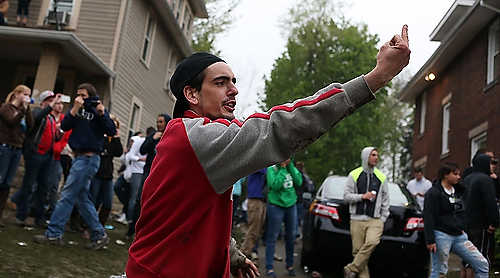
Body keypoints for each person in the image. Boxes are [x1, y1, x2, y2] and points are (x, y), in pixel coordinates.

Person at [126, 25, 411, 278]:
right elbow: (281, 126)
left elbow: (193, 213)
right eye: (220, 82)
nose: (234, 90)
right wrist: (377, 77)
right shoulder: (194, 137)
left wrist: (231, 253)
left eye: (234, 81)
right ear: (191, 94)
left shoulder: (197, 139)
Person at [34, 83, 116, 250]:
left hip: (89, 159)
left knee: (67, 195)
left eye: (83, 95)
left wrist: (101, 113)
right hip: (78, 158)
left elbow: (111, 129)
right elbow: (65, 126)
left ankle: (54, 234)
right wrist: (74, 109)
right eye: (78, 95)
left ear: (91, 96)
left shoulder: (98, 110)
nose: (79, 98)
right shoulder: (77, 109)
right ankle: (99, 235)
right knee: (81, 198)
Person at [424, 163, 489, 278]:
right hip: (441, 236)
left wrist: (463, 228)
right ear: (445, 175)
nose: (459, 177)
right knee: (439, 271)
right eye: (455, 174)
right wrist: (430, 240)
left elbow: (463, 212)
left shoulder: (460, 191)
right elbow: (428, 217)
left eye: (459, 174)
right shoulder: (433, 193)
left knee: (482, 264)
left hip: (460, 236)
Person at [14, 90, 61, 227]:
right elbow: (37, 120)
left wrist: (59, 132)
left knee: (43, 187)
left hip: (47, 156)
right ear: (43, 102)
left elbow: (54, 137)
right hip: (35, 154)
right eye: (49, 100)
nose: (52, 103)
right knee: (28, 185)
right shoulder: (36, 113)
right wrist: (49, 107)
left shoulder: (51, 118)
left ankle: (39, 217)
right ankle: (21, 215)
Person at [343, 147, 390, 278]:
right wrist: (362, 196)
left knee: (372, 242)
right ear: (365, 156)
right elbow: (346, 197)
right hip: (356, 219)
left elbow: (386, 200)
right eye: (373, 155)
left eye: (377, 155)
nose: (376, 157)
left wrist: (383, 218)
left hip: (375, 220)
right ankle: (358, 273)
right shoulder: (354, 174)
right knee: (358, 252)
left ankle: (351, 268)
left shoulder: (381, 177)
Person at [126, 114, 170, 238]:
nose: (159, 124)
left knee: (156, 203)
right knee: (140, 200)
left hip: (162, 175)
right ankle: (132, 230)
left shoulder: (171, 135)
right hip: (148, 173)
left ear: (167, 122)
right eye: (157, 122)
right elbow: (143, 150)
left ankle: (149, 232)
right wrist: (152, 139)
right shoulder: (153, 135)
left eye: (161, 122)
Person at [0, 85, 33, 227]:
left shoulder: (24, 111)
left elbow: (31, 125)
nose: (27, 97)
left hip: (17, 148)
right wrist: (22, 110)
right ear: (17, 94)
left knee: (7, 183)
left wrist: (27, 110)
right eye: (25, 94)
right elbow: (11, 122)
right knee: (0, 180)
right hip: (5, 147)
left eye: (29, 94)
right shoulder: (6, 108)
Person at [265, 159, 302, 277]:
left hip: (291, 205)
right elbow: (274, 186)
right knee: (272, 237)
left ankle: (290, 265)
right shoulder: (271, 169)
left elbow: (299, 181)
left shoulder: (290, 166)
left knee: (291, 236)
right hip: (276, 205)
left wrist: (290, 165)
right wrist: (282, 168)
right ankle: (269, 267)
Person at [464, 154, 499, 268]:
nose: (493, 166)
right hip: (481, 225)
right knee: (481, 258)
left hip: (467, 224)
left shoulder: (468, 178)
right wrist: (494, 222)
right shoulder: (485, 180)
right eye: (490, 163)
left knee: (467, 260)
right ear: (484, 164)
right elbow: (490, 202)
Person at [90, 114, 123, 226]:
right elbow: (101, 149)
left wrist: (116, 137)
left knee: (107, 203)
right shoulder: (101, 136)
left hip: (108, 175)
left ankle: (100, 226)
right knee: (94, 201)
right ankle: (88, 226)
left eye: (116, 125)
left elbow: (118, 152)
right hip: (97, 172)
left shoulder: (113, 139)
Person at [46, 98, 71, 217]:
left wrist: (59, 148)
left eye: (61, 104)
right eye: (57, 103)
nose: (60, 106)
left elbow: (65, 137)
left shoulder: (64, 120)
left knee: (55, 184)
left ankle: (51, 210)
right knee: (42, 182)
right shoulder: (47, 117)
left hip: (58, 155)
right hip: (45, 153)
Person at [241, 168, 267, 260]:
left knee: (257, 230)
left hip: (261, 200)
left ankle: (249, 252)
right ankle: (244, 254)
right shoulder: (259, 162)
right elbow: (266, 171)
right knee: (253, 229)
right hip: (255, 199)